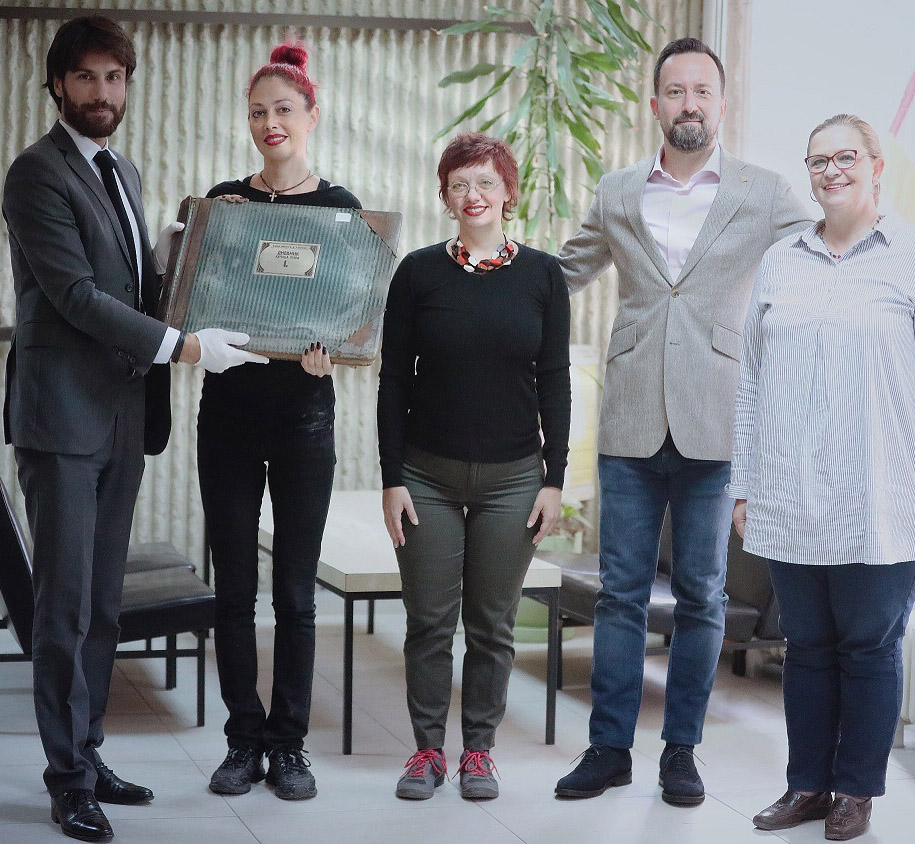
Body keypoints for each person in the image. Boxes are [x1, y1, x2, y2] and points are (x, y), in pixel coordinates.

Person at [1, 15, 266, 843]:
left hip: (120, 414)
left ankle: (89, 752)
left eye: (114, 77)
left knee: (103, 605)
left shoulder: (123, 169)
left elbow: (126, 281)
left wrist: (178, 253)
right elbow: (76, 296)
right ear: (57, 84)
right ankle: (67, 780)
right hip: (61, 418)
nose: (102, 92)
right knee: (64, 608)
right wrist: (184, 346)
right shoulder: (35, 172)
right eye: (86, 76)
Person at [553, 37, 811, 806]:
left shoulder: (763, 192)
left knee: (701, 596)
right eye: (675, 91)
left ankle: (679, 752)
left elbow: (819, 251)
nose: (688, 103)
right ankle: (607, 749)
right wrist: (472, 269)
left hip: (714, 418)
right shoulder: (617, 190)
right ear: (655, 103)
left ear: (720, 104)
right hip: (631, 417)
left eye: (701, 91)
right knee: (619, 595)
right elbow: (558, 273)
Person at [730, 114, 915, 841]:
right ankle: (806, 785)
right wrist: (744, 483)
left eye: (844, 158)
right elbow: (751, 379)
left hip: (879, 495)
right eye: (817, 161)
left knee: (867, 646)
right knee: (804, 648)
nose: (830, 171)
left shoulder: (906, 257)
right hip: (788, 493)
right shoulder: (781, 261)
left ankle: (855, 792)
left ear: (875, 165)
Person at [378, 133, 571, 801]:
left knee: (491, 625)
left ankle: (479, 752)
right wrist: (391, 478)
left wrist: (553, 480)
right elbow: (393, 381)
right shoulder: (418, 273)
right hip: (425, 476)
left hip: (514, 479)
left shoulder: (543, 276)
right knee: (429, 621)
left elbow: (554, 382)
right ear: (445, 195)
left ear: (508, 192)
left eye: (486, 182)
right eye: (459, 184)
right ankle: (428, 751)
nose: (473, 195)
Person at [199, 43, 361, 803]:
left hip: (304, 419)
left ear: (311, 117)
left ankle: (289, 745)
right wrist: (200, 247)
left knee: (295, 593)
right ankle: (242, 740)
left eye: (284, 110)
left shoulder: (341, 211)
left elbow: (352, 309)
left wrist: (336, 350)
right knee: (234, 590)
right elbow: (197, 300)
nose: (271, 122)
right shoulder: (224, 205)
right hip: (228, 418)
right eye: (259, 111)